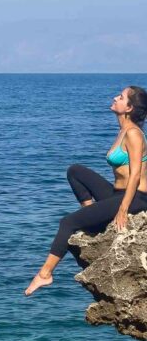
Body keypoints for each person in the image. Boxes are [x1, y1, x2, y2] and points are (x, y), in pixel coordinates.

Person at [25, 85, 147, 296]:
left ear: (129, 108)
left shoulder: (134, 134)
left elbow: (135, 175)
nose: (115, 98)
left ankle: (45, 274)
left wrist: (123, 208)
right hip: (118, 193)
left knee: (68, 222)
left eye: (121, 97)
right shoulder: (123, 130)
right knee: (75, 171)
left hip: (137, 198)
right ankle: (93, 223)